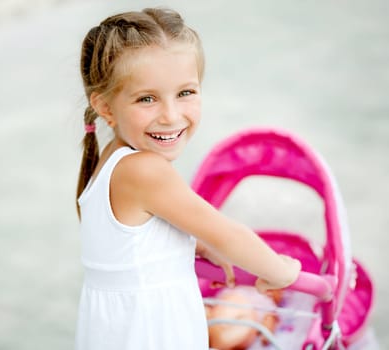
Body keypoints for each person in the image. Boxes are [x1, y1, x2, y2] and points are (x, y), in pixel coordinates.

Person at [74, 7, 301, 350]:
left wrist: (193, 245)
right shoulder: (145, 170)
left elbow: (132, 245)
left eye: (185, 93)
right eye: (146, 98)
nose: (171, 115)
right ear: (105, 107)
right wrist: (282, 271)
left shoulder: (109, 163)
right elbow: (227, 234)